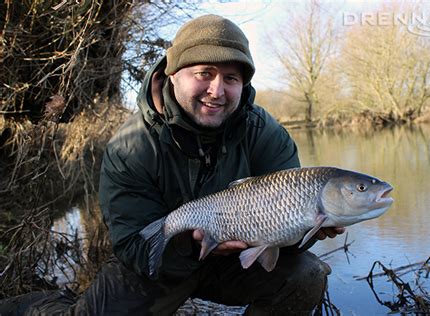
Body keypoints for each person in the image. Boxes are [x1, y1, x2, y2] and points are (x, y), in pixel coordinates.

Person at [1, 14, 345, 315]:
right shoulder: (132, 145)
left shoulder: (264, 133)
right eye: (204, 73)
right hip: (158, 264)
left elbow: (285, 225)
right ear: (174, 74)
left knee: (306, 275)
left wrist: (311, 232)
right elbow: (134, 246)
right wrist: (194, 244)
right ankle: (35, 305)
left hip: (231, 265)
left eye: (231, 78)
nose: (217, 90)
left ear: (243, 85)